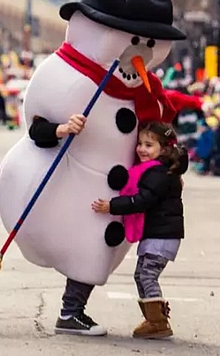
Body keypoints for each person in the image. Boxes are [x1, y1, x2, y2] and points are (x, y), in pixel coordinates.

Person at [92, 122, 186, 339]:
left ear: (163, 149)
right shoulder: (159, 170)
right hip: (157, 234)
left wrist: (112, 206)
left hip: (163, 236)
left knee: (147, 275)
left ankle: (158, 322)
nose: (142, 149)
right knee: (141, 275)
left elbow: (141, 200)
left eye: (149, 145)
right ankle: (153, 318)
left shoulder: (159, 174)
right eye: (140, 144)